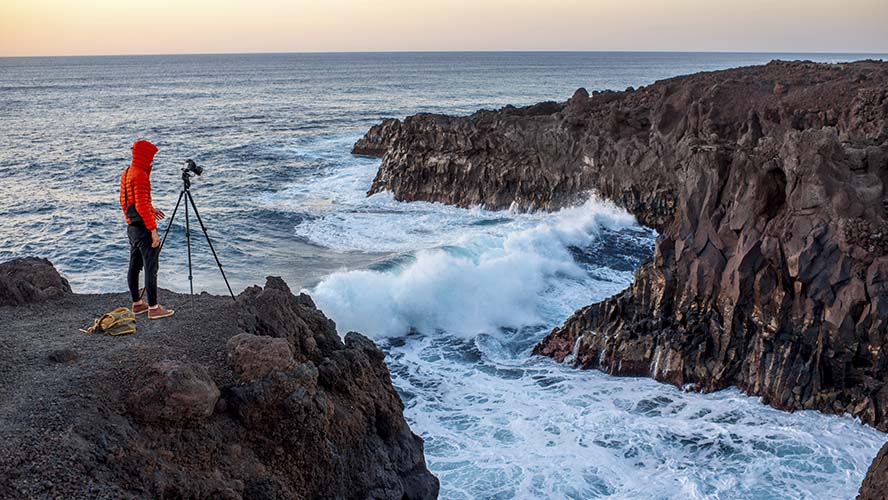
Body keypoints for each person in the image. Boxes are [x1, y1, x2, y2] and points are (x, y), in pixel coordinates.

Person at [119, 139, 175, 319]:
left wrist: (149, 211)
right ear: (144, 157)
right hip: (143, 229)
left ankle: (137, 304)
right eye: (151, 158)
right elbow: (142, 205)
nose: (152, 162)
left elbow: (127, 203)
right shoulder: (141, 175)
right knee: (151, 268)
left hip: (132, 229)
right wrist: (153, 231)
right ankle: (153, 308)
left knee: (134, 267)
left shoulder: (127, 173)